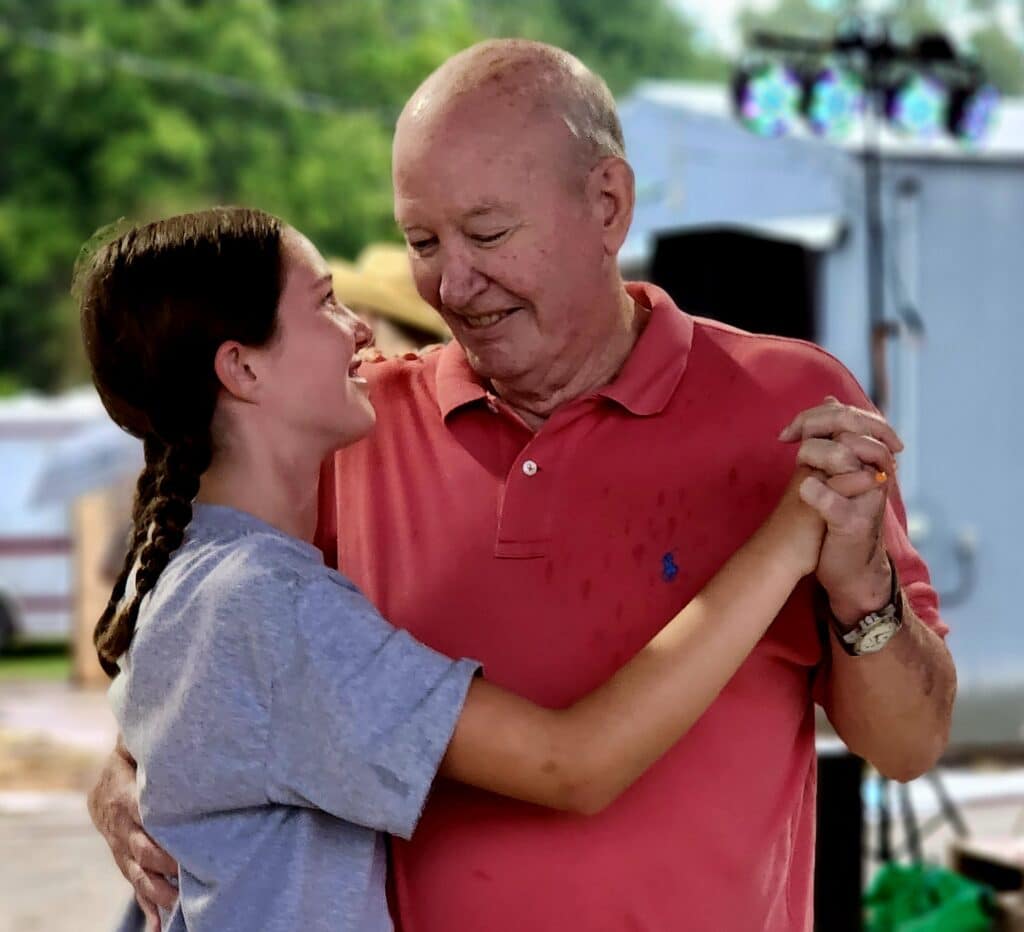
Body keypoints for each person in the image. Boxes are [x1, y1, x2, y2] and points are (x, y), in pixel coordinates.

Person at [89, 41, 956, 932]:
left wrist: (863, 591)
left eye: (489, 234)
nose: (452, 285)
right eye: (423, 242)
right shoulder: (347, 437)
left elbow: (907, 744)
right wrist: (126, 776)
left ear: (607, 204)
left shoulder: (793, 411)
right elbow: (224, 676)